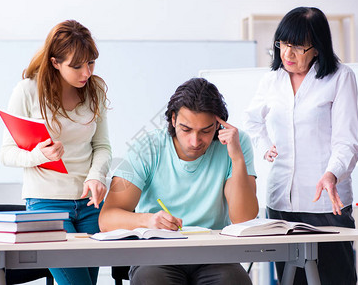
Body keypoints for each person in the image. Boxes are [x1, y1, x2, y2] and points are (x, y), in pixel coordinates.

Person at [99, 77, 258, 285]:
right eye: (186, 129)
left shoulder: (236, 143)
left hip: (214, 255)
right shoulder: (146, 147)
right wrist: (148, 221)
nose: (195, 142)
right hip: (157, 255)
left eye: (206, 131)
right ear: (173, 120)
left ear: (219, 125)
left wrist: (236, 158)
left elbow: (243, 219)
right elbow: (107, 218)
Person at [244, 7, 358, 285]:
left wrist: (332, 174)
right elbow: (251, 121)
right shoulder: (272, 80)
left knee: (336, 279)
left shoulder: (340, 78)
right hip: (281, 202)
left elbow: (348, 140)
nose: (287, 54)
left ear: (317, 48)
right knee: (288, 280)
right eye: (282, 44)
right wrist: (264, 145)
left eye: (297, 47)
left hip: (326, 204)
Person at [0, 20, 111, 285]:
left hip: (90, 206)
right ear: (55, 62)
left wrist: (97, 176)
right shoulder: (28, 90)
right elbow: (6, 153)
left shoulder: (94, 90)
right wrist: (39, 155)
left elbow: (103, 146)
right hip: (46, 205)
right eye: (77, 66)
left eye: (91, 62)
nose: (86, 72)